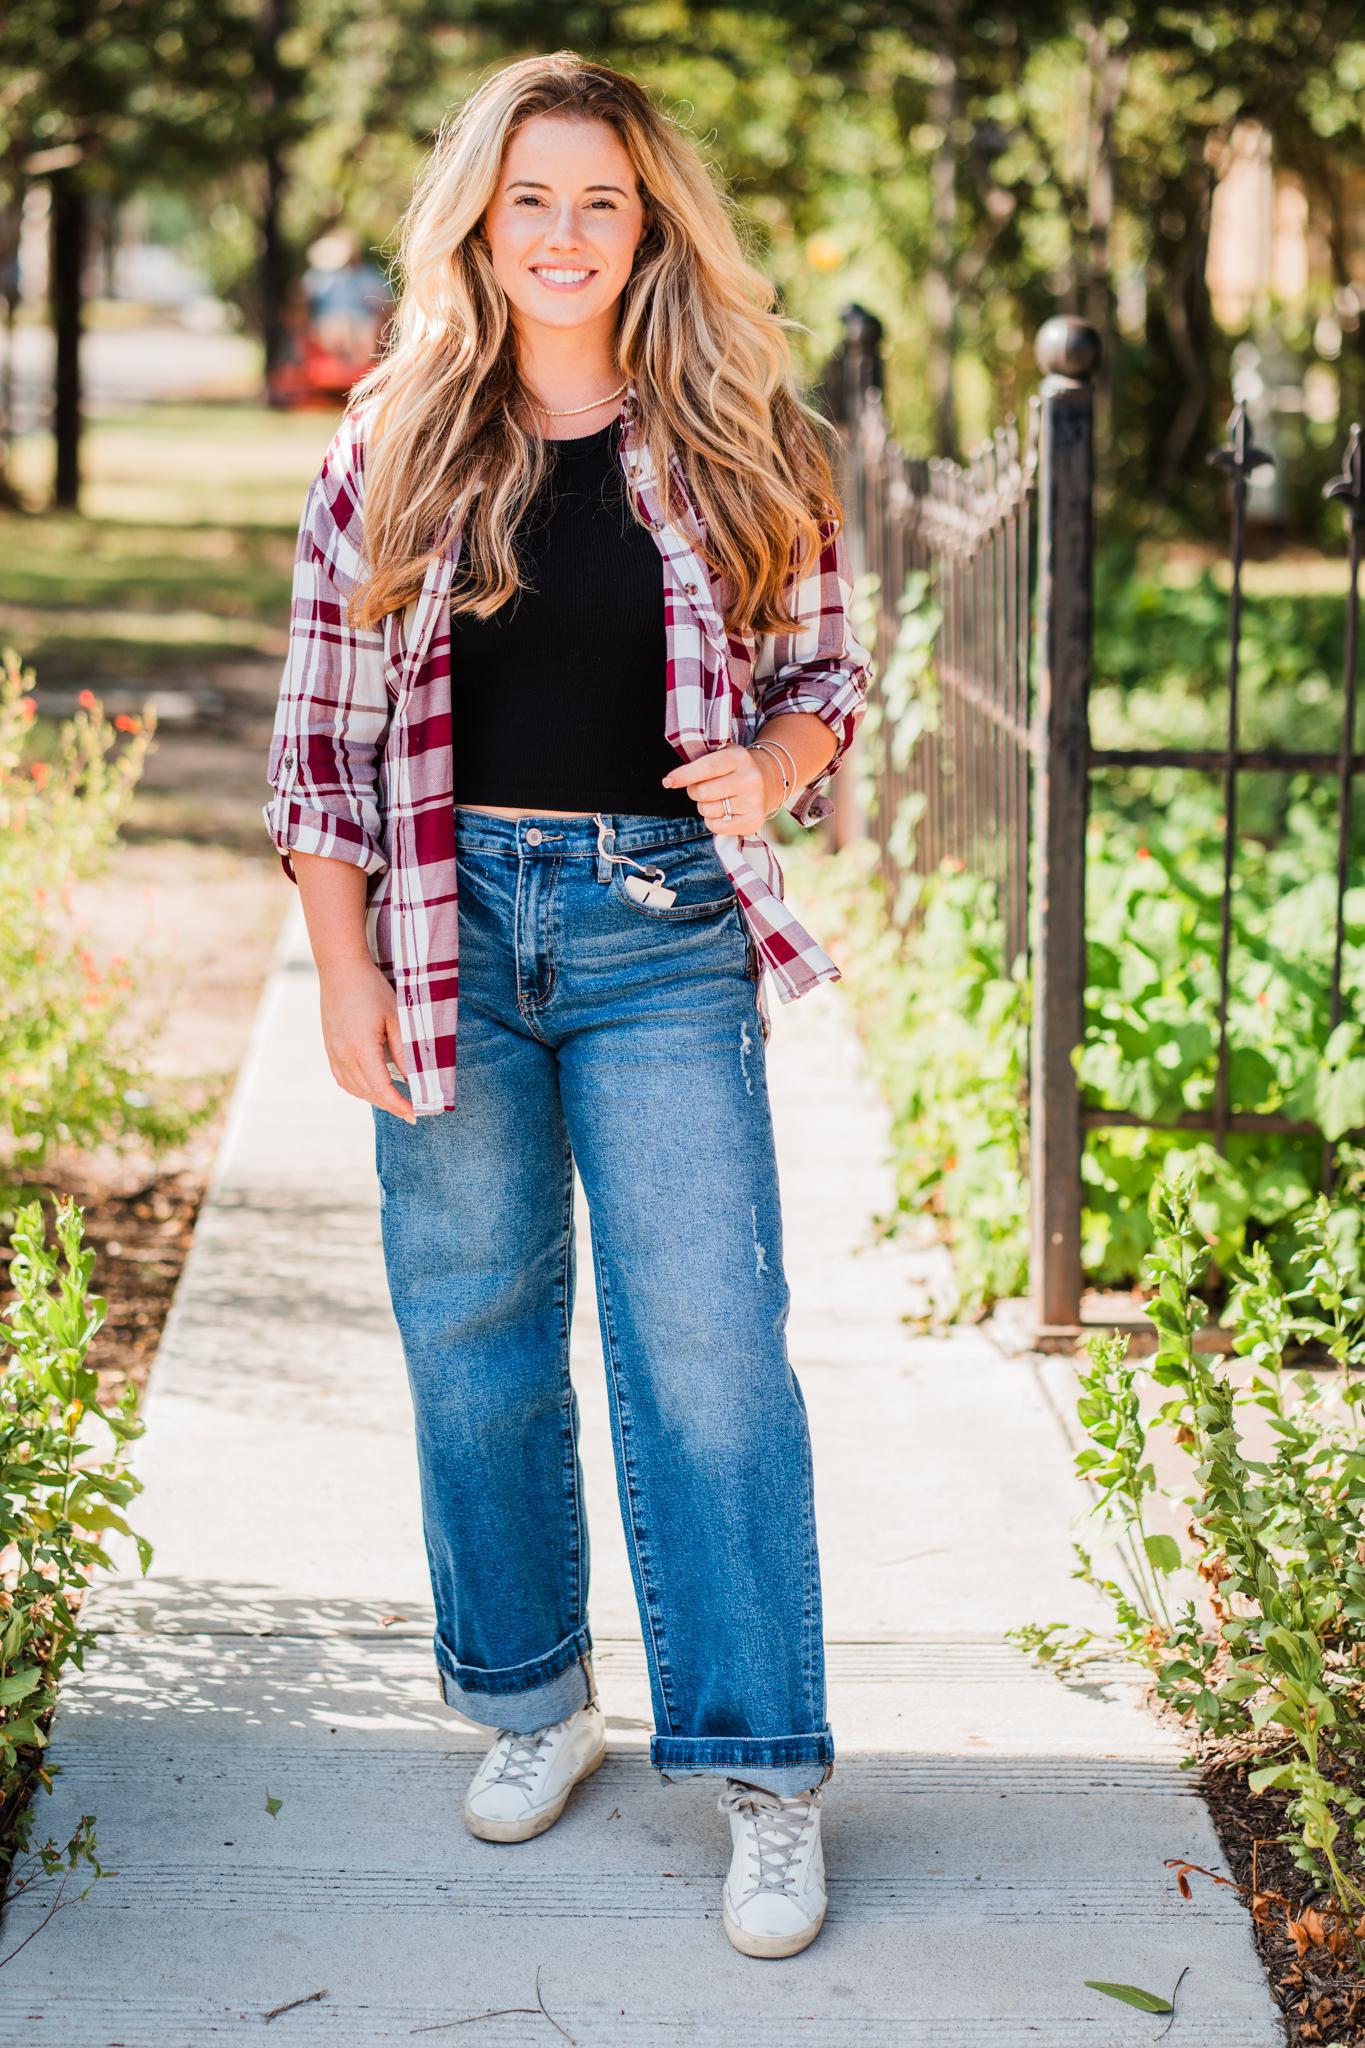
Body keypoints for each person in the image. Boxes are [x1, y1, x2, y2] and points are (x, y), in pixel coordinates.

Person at [262, 50, 871, 1962]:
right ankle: (533, 1704)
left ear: (649, 222)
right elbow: (317, 749)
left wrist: (768, 770)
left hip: (657, 931)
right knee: (475, 1339)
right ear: (479, 218)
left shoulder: (745, 431)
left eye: (599, 199)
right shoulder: (393, 442)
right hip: (450, 926)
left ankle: (764, 1769)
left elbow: (827, 674)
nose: (563, 233)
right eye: (529, 198)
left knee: (706, 1349)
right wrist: (344, 966)